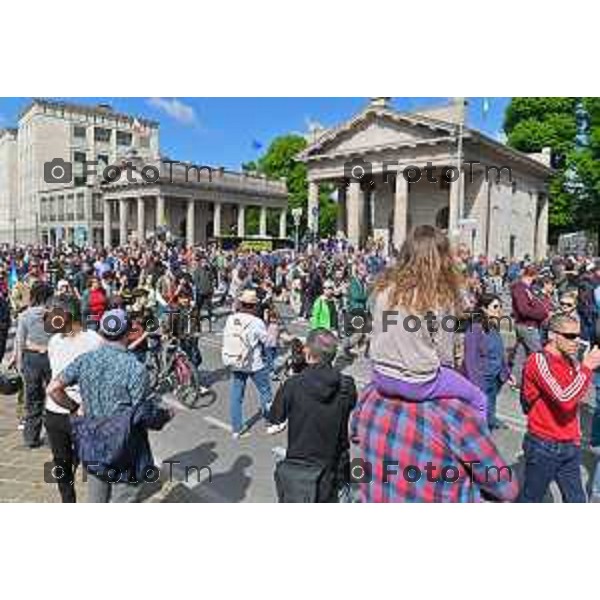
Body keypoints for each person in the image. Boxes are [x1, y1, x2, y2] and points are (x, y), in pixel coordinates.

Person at [46, 308, 172, 503]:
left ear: (102, 332)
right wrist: (164, 416)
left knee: (96, 499)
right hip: (126, 447)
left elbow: (54, 388)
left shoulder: (86, 360)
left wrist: (74, 408)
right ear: (128, 332)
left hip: (94, 440)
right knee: (123, 498)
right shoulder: (134, 368)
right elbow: (141, 413)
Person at [369, 225, 488, 422]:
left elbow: (378, 329)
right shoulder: (438, 296)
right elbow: (444, 354)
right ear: (441, 258)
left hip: (380, 374)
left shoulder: (385, 289)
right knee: (479, 399)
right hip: (417, 382)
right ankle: (470, 448)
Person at [519, 313, 600, 503]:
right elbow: (565, 399)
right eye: (570, 336)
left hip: (569, 444)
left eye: (578, 335)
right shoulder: (538, 361)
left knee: (576, 499)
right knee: (531, 499)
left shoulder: (570, 361)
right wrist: (587, 367)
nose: (577, 341)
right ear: (553, 336)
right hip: (544, 444)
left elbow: (575, 395)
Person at [269, 329, 357, 502]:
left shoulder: (293, 385)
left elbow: (275, 416)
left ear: (308, 352)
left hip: (301, 473)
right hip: (334, 469)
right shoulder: (347, 386)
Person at [45, 300, 103, 502]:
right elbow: (55, 375)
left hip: (84, 413)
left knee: (91, 463)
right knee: (60, 464)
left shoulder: (94, 341)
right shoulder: (54, 341)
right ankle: (68, 502)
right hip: (55, 412)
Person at [222, 289, 275, 438]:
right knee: (265, 391)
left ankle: (237, 428)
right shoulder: (256, 322)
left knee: (236, 395)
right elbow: (268, 341)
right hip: (253, 363)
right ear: (253, 306)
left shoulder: (231, 318)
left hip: (235, 360)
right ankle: (270, 421)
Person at [463, 294, 514, 430]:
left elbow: (499, 352)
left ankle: (491, 420)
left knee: (491, 402)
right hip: (482, 378)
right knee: (480, 411)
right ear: (484, 309)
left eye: (500, 307)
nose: (499, 311)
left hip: (495, 376)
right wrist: (475, 384)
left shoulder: (492, 326)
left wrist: (507, 373)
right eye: (495, 307)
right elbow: (470, 359)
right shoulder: (475, 329)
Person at [13, 282, 54, 448]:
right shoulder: (55, 315)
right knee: (53, 399)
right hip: (51, 358)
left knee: (33, 398)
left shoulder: (24, 316)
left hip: (31, 360)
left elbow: (20, 342)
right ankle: (53, 437)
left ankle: (31, 437)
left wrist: (18, 362)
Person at [510, 265, 549, 380]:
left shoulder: (526, 288)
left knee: (521, 355)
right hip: (527, 325)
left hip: (526, 324)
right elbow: (524, 309)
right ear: (533, 275)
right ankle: (541, 379)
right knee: (538, 354)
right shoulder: (520, 288)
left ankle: (516, 379)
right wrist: (541, 314)